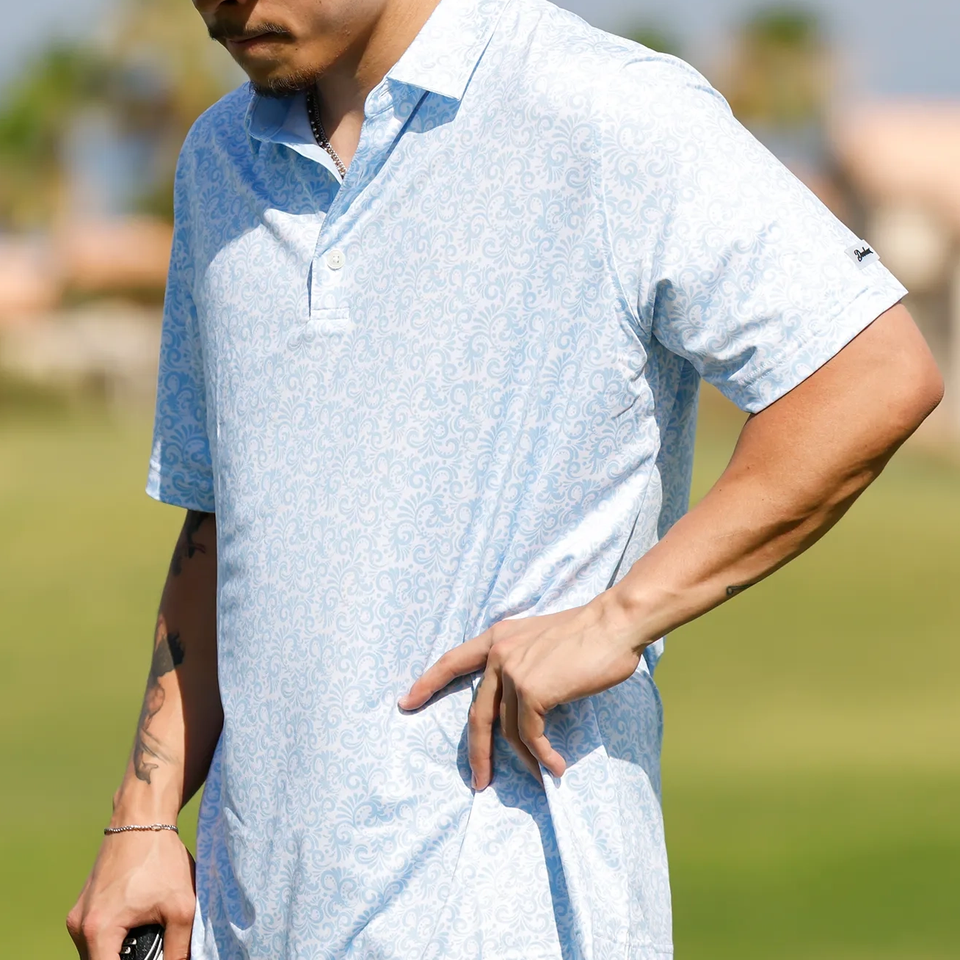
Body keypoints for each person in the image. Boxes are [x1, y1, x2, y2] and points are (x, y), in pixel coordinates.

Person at [66, 0, 943, 957]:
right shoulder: (217, 159)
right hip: (250, 920)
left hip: (513, 914)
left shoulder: (606, 109)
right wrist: (143, 815)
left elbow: (870, 373)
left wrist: (620, 617)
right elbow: (224, 517)